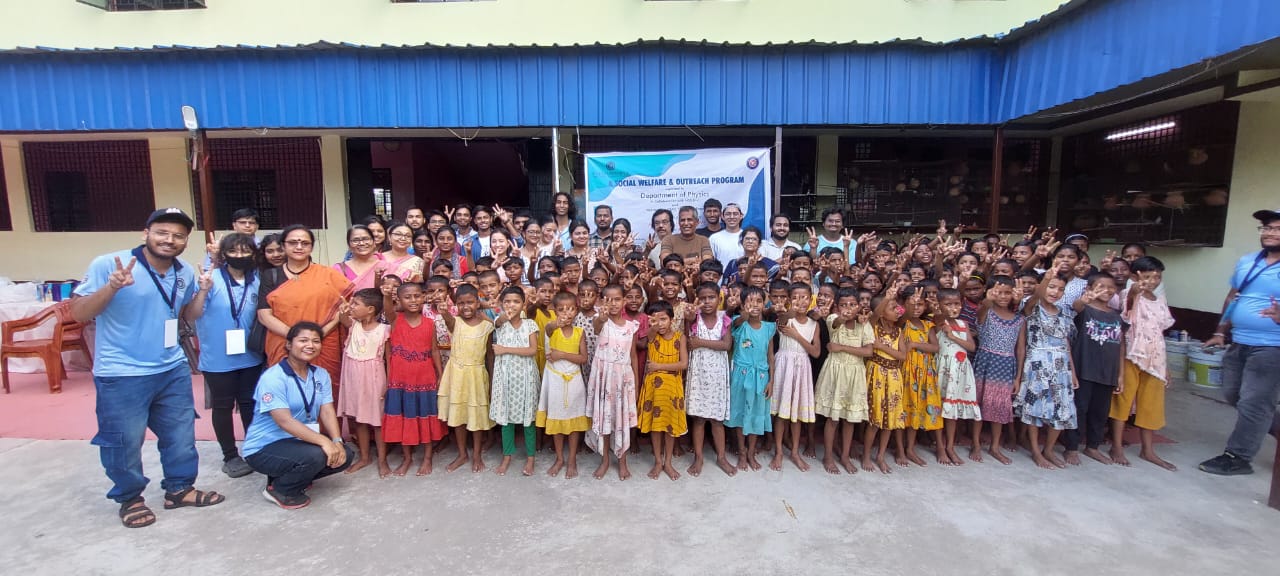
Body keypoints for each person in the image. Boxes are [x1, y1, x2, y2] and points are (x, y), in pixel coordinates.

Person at [72, 207, 225, 527]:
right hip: (122, 371)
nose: (169, 240)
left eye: (178, 235)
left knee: (180, 434)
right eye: (162, 232)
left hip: (172, 367)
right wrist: (112, 287)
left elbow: (187, 315)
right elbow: (79, 312)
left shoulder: (183, 272)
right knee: (124, 440)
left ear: (186, 241)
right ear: (146, 233)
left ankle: (179, 488)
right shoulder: (109, 264)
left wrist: (203, 292)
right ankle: (130, 498)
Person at [1200, 208, 1280, 476]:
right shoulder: (1248, 261)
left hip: (1272, 345)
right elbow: (1233, 296)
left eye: (1277, 229)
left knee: (1254, 401)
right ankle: (1273, 425)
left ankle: (1238, 457)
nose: (1270, 233)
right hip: (1240, 340)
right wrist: (1221, 331)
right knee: (1233, 394)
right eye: (1266, 228)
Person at [242, 322, 354, 510]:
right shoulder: (273, 377)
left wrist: (336, 441)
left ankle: (292, 474)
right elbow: (284, 421)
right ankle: (281, 490)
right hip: (264, 446)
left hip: (297, 440)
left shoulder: (320, 375)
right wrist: (324, 441)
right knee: (317, 456)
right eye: (303, 340)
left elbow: (327, 410)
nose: (310, 345)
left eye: (316, 341)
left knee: (345, 455)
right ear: (289, 344)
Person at [185, 232, 264, 478]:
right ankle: (230, 455)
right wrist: (202, 291)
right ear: (223, 254)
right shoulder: (211, 278)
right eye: (233, 251)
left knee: (250, 403)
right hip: (218, 357)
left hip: (251, 355)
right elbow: (192, 315)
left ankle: (254, 448)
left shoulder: (257, 279)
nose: (240, 255)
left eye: (245, 251)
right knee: (223, 405)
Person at [257, 225, 352, 394]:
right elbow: (264, 315)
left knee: (324, 392)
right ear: (283, 246)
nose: (299, 247)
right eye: (293, 242)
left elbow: (343, 307)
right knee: (286, 391)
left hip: (322, 341)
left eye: (305, 243)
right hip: (284, 342)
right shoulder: (270, 276)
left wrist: (317, 335)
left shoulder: (328, 275)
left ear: (312, 247)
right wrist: (296, 338)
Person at [1110, 256, 1177, 471]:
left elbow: (1159, 332)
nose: (1152, 281)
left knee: (1151, 405)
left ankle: (1148, 450)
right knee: (1122, 402)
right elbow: (1127, 306)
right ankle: (1116, 447)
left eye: (1157, 277)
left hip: (1155, 360)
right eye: (1147, 277)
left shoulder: (1159, 299)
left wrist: (1165, 366)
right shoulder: (1129, 294)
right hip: (1131, 355)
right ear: (1134, 276)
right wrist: (1135, 290)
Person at [381, 281, 447, 476]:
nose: (413, 300)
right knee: (404, 417)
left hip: (424, 378)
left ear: (424, 297)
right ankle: (407, 457)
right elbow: (387, 307)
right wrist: (386, 295)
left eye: (417, 296)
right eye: (407, 297)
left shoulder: (429, 323)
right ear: (399, 300)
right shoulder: (395, 319)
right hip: (400, 379)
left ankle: (427, 457)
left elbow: (434, 350)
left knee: (426, 416)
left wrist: (440, 375)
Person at [1016, 267, 1078, 470]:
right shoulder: (1032, 308)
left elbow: (1065, 343)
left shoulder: (1064, 313)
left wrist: (1072, 372)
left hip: (1061, 366)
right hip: (1037, 364)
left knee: (1062, 407)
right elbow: (1034, 298)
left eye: (1060, 289)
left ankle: (1049, 449)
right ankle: (1036, 451)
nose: (1055, 292)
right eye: (1051, 286)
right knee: (1035, 407)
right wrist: (1045, 280)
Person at [1067, 272, 1124, 466]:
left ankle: (1093, 447)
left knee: (1100, 412)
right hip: (1084, 369)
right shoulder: (1084, 310)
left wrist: (1121, 375)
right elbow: (1077, 306)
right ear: (1089, 289)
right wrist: (1084, 300)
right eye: (1101, 286)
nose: (1107, 290)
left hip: (1107, 372)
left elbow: (1121, 346)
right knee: (1079, 408)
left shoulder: (1116, 315)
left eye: (1111, 287)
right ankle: (1071, 447)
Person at [438, 284, 496, 473]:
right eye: (461, 303)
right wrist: (444, 311)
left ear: (478, 303)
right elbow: (448, 319)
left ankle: (477, 454)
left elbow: (489, 356)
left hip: (477, 375)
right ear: (456, 305)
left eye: (470, 302)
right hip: (456, 375)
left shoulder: (487, 326)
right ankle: (462, 454)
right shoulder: (455, 322)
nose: (465, 307)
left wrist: (492, 380)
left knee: (476, 416)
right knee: (459, 415)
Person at [815, 287, 873, 475]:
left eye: (852, 304)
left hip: (855, 374)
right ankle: (828, 456)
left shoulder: (864, 325)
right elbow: (837, 321)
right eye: (843, 305)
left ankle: (845, 456)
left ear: (859, 306)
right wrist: (843, 316)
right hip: (836, 373)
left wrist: (841, 347)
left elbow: (868, 351)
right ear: (837, 307)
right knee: (833, 418)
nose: (848, 308)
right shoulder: (833, 319)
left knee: (850, 419)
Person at [586, 283, 640, 480]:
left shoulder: (631, 327)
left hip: (623, 380)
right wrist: (602, 316)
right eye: (608, 300)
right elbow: (597, 326)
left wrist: (636, 383)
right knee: (605, 418)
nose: (614, 304)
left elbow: (633, 356)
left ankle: (622, 461)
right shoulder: (600, 321)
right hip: (604, 379)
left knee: (621, 420)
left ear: (624, 301)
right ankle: (605, 460)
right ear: (602, 302)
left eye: (617, 299)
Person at [335, 288, 391, 477]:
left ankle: (382, 460)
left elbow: (390, 359)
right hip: (354, 380)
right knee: (359, 419)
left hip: (375, 380)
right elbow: (343, 317)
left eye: (356, 304)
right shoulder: (353, 325)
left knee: (378, 421)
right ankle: (364, 457)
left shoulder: (384, 330)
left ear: (370, 309)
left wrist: (389, 383)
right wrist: (344, 310)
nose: (352, 307)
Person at [489, 286, 542, 477]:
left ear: (523, 304)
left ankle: (530, 458)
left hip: (526, 377)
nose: (512, 305)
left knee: (528, 419)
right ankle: (507, 456)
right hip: (505, 377)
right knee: (506, 418)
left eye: (516, 302)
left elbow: (532, 350)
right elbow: (500, 320)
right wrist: (504, 315)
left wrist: (505, 349)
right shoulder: (500, 322)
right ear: (501, 304)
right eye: (507, 302)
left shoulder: (530, 325)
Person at [685, 282, 735, 477]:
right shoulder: (694, 318)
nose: (707, 302)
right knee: (698, 419)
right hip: (698, 373)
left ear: (719, 299)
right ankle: (698, 457)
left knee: (716, 420)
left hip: (717, 376)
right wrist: (689, 316)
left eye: (711, 297)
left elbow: (726, 345)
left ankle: (721, 457)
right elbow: (689, 340)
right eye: (703, 298)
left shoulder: (724, 319)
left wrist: (700, 342)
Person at [538, 292, 591, 479]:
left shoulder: (579, 332)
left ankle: (572, 460)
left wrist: (562, 355)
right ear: (555, 311)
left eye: (570, 309)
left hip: (574, 381)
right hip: (555, 381)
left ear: (576, 310)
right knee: (557, 418)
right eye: (561, 309)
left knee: (573, 421)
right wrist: (556, 323)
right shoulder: (551, 328)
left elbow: (583, 358)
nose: (566, 313)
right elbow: (550, 328)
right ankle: (560, 458)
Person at [972, 275, 1024, 464]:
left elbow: (1020, 349)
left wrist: (1018, 377)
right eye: (998, 292)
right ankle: (976, 444)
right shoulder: (986, 312)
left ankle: (994, 446)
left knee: (1000, 407)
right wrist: (988, 299)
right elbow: (983, 308)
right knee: (979, 405)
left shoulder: (1019, 319)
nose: (1003, 296)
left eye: (1007, 292)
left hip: (1006, 366)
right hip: (985, 363)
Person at [769, 283, 820, 472]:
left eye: (805, 297)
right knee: (781, 414)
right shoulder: (785, 319)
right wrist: (791, 309)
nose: (801, 301)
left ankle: (795, 452)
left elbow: (815, 352)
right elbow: (783, 318)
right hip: (784, 365)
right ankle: (779, 452)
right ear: (789, 300)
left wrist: (797, 336)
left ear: (811, 299)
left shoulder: (814, 325)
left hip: (802, 366)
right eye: (796, 297)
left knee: (796, 414)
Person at [638, 301, 689, 481]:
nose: (659, 324)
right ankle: (658, 461)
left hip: (673, 388)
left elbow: (683, 364)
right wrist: (652, 326)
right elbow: (651, 334)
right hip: (654, 389)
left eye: (663, 319)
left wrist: (658, 366)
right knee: (656, 426)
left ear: (672, 320)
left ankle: (668, 462)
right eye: (655, 319)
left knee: (670, 426)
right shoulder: (652, 335)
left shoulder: (680, 338)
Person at [726, 286, 775, 472]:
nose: (754, 305)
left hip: (761, 377)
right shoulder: (738, 323)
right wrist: (744, 314)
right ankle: (742, 452)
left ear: (764, 305)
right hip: (741, 376)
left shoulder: (769, 328)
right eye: (749, 301)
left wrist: (771, 381)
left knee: (756, 414)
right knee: (740, 414)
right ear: (742, 305)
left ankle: (751, 452)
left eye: (759, 301)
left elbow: (770, 356)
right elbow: (739, 321)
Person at [864, 288, 908, 474]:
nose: (897, 310)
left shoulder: (898, 331)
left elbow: (903, 356)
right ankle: (867, 456)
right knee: (875, 419)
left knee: (890, 419)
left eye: (897, 307)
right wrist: (886, 298)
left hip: (894, 376)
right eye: (892, 307)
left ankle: (881, 455)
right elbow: (874, 315)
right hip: (877, 375)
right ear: (882, 312)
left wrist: (881, 346)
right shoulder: (873, 327)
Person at [935, 288, 981, 467]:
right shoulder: (939, 321)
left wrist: (953, 336)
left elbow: (971, 347)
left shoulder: (963, 324)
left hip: (960, 370)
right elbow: (939, 319)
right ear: (939, 305)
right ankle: (940, 446)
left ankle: (950, 446)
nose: (953, 308)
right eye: (947, 304)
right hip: (944, 368)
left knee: (952, 411)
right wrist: (941, 316)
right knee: (939, 407)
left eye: (956, 304)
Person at [902, 286, 944, 466]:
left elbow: (935, 347)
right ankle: (907, 449)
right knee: (908, 409)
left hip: (926, 374)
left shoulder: (928, 325)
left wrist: (914, 344)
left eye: (920, 304)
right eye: (912, 304)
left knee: (927, 407)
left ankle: (936, 447)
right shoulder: (903, 322)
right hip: (908, 372)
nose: (916, 307)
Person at [334, 225, 390, 290]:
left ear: (374, 242)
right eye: (355, 240)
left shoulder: (386, 267)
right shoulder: (339, 269)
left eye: (366, 239)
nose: (361, 243)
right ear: (349, 245)